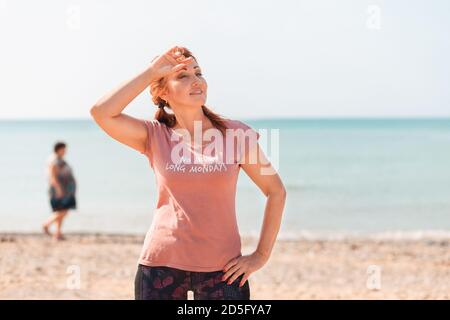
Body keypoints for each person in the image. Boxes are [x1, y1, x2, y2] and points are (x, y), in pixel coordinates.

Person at [90, 45, 287, 300]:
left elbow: (275, 191)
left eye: (198, 72)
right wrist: (151, 72)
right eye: (182, 75)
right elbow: (101, 112)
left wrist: (260, 256)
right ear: (162, 91)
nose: (196, 81)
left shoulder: (237, 135)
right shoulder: (154, 135)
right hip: (160, 266)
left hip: (225, 272)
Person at [42, 141, 77, 241]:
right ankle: (46, 225)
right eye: (64, 149)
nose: (65, 151)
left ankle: (57, 233)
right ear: (59, 149)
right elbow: (52, 176)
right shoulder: (54, 160)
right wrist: (59, 189)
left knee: (61, 211)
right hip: (59, 190)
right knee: (63, 211)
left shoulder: (60, 160)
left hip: (64, 189)